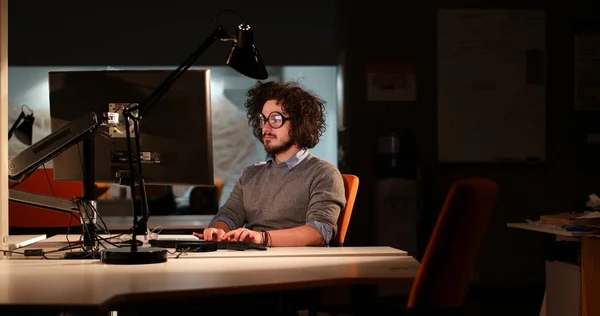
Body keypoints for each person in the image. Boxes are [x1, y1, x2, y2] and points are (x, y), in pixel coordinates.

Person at [193, 81, 346, 247]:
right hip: (250, 262)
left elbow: (318, 232)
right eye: (263, 119)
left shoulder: (324, 173)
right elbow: (228, 215)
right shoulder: (251, 174)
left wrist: (262, 238)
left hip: (299, 266)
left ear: (299, 124)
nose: (265, 127)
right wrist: (217, 230)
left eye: (275, 119)